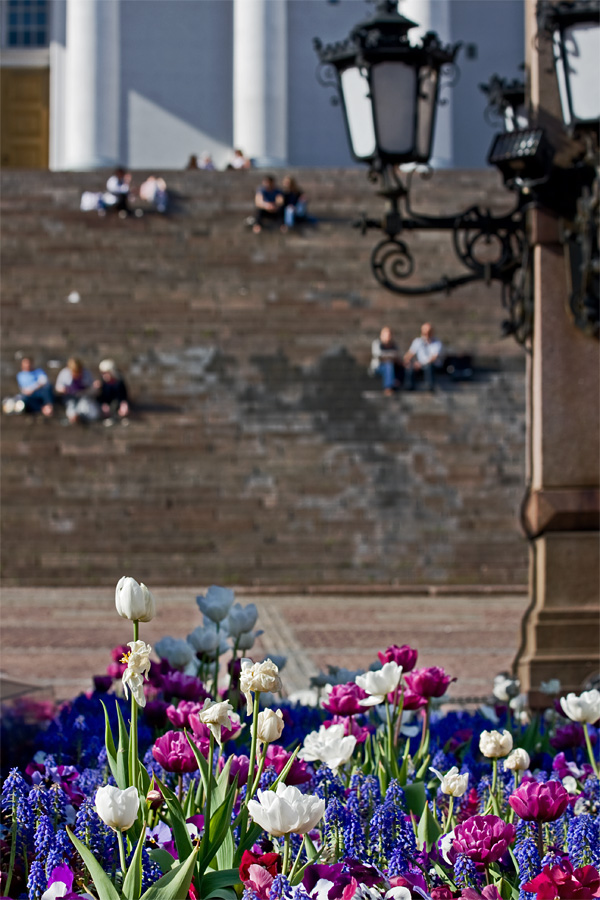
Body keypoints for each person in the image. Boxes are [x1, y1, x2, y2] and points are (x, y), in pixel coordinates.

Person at [55, 357, 101, 424]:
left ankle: (81, 417)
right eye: (74, 372)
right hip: (69, 396)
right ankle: (73, 417)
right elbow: (58, 387)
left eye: (78, 372)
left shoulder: (86, 373)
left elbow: (92, 388)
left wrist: (95, 387)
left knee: (86, 407)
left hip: (83, 396)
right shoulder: (64, 373)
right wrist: (62, 389)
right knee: (71, 406)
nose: (76, 374)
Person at [403, 322, 444, 392]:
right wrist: (408, 361)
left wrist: (421, 364)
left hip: (432, 366)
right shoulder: (418, 341)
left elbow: (433, 358)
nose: (426, 333)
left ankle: (430, 386)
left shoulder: (437, 342)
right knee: (410, 366)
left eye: (428, 331)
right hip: (420, 366)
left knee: (429, 366)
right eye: (424, 331)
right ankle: (409, 386)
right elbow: (408, 355)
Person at [369, 326, 403, 396]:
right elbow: (378, 355)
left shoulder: (394, 345)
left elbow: (398, 356)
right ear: (381, 336)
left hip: (393, 366)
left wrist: (390, 357)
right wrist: (391, 357)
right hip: (378, 367)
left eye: (389, 335)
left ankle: (398, 384)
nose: (388, 337)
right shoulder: (377, 343)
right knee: (388, 365)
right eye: (386, 335)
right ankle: (388, 388)